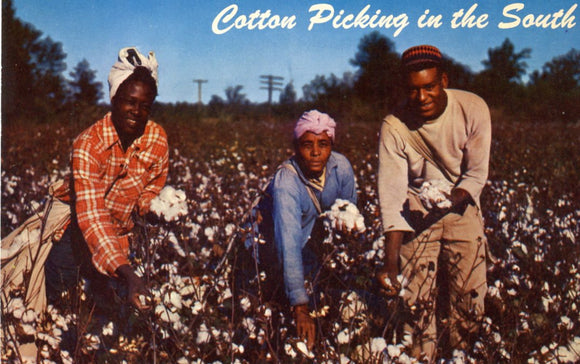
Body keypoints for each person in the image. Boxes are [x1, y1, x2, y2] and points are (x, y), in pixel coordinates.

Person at [376, 45, 491, 361]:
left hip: (462, 207)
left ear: (444, 80)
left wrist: (449, 200)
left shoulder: (472, 108)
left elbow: (476, 173)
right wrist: (391, 261)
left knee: (469, 300)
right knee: (416, 310)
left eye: (429, 87)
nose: (422, 97)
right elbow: (392, 196)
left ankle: (462, 355)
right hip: (415, 212)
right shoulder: (394, 126)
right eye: (413, 90)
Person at [44, 46, 169, 314]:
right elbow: (93, 217)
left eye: (145, 106)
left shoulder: (157, 139)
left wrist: (158, 209)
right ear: (114, 99)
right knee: (63, 314)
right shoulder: (89, 144)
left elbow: (151, 188)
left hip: (122, 242)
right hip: (75, 239)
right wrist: (127, 273)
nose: (136, 111)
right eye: (130, 101)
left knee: (111, 319)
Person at [249, 110, 357, 350]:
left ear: (332, 145)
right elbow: (287, 242)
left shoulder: (341, 168)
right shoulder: (286, 182)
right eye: (307, 144)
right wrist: (300, 307)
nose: (316, 152)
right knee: (272, 314)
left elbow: (350, 216)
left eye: (324, 144)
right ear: (296, 147)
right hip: (271, 250)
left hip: (311, 247)